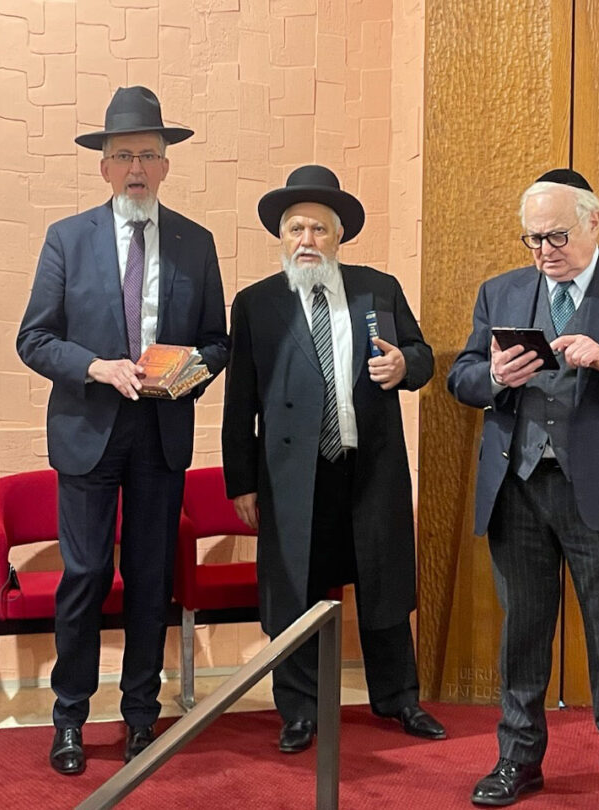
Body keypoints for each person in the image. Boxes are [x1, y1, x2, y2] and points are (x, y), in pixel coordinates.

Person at [447, 169, 599, 810]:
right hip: (518, 489)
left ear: (593, 221)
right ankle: (517, 760)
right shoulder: (500, 291)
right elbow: (461, 378)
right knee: (522, 638)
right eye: (532, 239)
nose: (544, 251)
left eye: (555, 236)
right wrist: (495, 374)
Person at [16, 86, 229, 775]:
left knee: (149, 577)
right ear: (103, 166)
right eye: (123, 155)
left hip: (160, 433)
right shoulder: (67, 238)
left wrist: (186, 372)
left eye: (147, 155)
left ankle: (141, 716)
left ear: (166, 165)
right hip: (88, 430)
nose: (136, 167)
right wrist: (96, 367)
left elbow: (218, 343)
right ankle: (69, 718)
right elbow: (34, 338)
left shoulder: (196, 243)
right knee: (84, 574)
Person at [221, 165, 445, 753]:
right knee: (296, 591)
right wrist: (241, 481)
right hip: (293, 477)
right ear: (281, 237)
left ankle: (399, 698)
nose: (307, 240)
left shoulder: (379, 289)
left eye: (319, 229)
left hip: (370, 468)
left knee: (383, 583)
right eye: (295, 229)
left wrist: (405, 365)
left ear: (339, 235)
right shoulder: (256, 304)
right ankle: (299, 710)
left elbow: (421, 356)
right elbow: (238, 401)